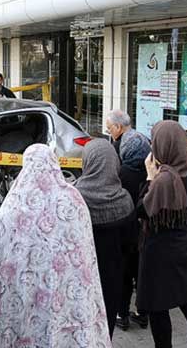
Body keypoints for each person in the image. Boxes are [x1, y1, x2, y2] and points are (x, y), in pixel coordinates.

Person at [0, 144, 112, 348]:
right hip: (66, 297)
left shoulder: (11, 207)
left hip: (24, 297)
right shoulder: (73, 200)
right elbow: (85, 254)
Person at [137, 120, 187, 348]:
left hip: (158, 250)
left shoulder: (162, 179)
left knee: (157, 306)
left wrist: (150, 177)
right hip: (185, 244)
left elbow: (142, 210)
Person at [74, 139, 135, 338]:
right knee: (104, 328)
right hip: (112, 277)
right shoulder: (124, 200)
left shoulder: (73, 197)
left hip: (79, 276)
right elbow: (130, 245)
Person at [114, 121, 151, 331]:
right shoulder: (151, 174)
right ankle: (143, 314)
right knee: (141, 273)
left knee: (125, 275)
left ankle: (122, 315)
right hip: (146, 232)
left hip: (126, 232)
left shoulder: (120, 174)